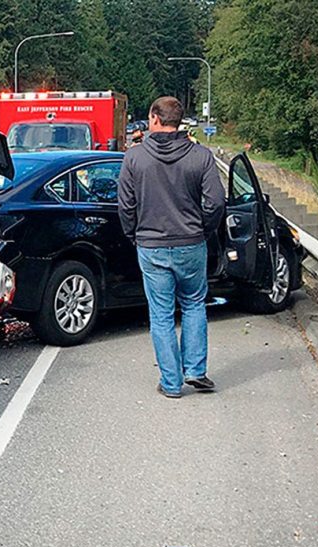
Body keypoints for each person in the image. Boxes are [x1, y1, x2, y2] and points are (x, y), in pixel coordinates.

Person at [118, 96, 225, 399]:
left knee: (161, 315)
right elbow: (216, 202)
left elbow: (125, 205)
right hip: (191, 243)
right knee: (193, 305)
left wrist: (133, 234)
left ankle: (171, 382)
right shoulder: (200, 156)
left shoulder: (134, 158)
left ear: (153, 119)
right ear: (179, 122)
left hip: (151, 245)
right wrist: (203, 229)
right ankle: (195, 370)